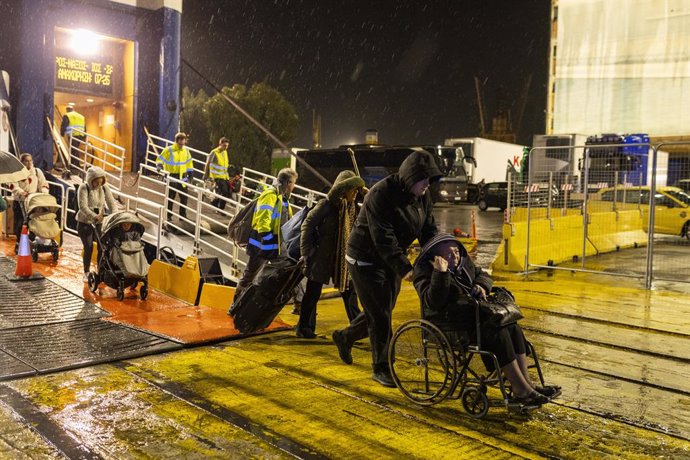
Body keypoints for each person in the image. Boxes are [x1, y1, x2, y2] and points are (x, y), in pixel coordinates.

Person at [332, 149, 442, 387]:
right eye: (423, 181)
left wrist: (439, 250)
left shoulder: (422, 196)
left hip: (390, 259)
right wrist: (405, 269)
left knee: (381, 310)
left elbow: (428, 229)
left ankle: (345, 336)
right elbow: (383, 238)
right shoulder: (380, 195)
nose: (427, 186)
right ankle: (381, 367)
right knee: (381, 316)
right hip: (365, 259)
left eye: (429, 181)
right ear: (410, 177)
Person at [413, 233, 560, 406]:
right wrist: (440, 273)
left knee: (512, 327)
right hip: (450, 325)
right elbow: (434, 302)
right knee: (497, 334)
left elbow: (483, 275)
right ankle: (521, 389)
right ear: (436, 256)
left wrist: (481, 285)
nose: (455, 257)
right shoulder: (425, 271)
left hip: (473, 318)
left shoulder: (463, 263)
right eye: (449, 254)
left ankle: (527, 384)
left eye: (457, 252)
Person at [296, 170, 365, 338]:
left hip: (342, 259)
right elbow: (307, 226)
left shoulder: (352, 208)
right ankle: (304, 328)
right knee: (313, 293)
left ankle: (358, 329)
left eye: (357, 190)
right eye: (353, 189)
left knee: (349, 292)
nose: (356, 193)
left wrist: (367, 194)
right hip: (320, 257)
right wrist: (306, 253)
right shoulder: (325, 205)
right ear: (344, 189)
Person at [232, 168, 298, 303]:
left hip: (276, 243)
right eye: (293, 183)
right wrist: (269, 239)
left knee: (289, 268)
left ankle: (297, 303)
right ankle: (236, 303)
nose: (294, 186)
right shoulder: (270, 195)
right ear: (288, 182)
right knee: (250, 274)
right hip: (262, 244)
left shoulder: (283, 197)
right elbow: (263, 221)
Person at [76, 166, 117, 281]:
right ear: (91, 180)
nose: (99, 184)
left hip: (99, 222)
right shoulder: (83, 188)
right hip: (85, 222)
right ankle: (86, 271)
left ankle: (101, 270)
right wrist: (94, 216)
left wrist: (115, 215)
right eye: (96, 182)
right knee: (88, 247)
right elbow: (83, 206)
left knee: (102, 247)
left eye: (101, 182)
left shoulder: (104, 188)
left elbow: (111, 203)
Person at [9, 153, 49, 251]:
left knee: (33, 223)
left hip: (32, 202)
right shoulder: (16, 173)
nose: (29, 163)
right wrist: (21, 192)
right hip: (20, 202)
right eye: (26, 161)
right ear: (21, 162)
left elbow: (43, 183)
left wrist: (44, 192)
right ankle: (19, 243)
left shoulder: (36, 171)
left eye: (30, 160)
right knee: (20, 224)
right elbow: (13, 186)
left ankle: (30, 243)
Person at [156, 132, 194, 222]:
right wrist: (159, 166)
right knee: (170, 197)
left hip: (183, 177)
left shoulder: (186, 151)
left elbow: (189, 163)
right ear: (176, 141)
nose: (181, 144)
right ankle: (168, 216)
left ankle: (182, 216)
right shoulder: (168, 150)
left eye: (183, 142)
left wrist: (191, 174)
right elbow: (160, 159)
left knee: (184, 197)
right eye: (180, 142)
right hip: (171, 176)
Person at [204, 137, 231, 210]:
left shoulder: (225, 152)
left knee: (229, 192)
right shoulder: (214, 152)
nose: (226, 147)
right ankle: (220, 209)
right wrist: (206, 175)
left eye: (227, 146)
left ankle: (214, 202)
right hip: (217, 176)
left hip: (225, 176)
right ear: (220, 144)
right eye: (224, 145)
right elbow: (208, 163)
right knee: (224, 192)